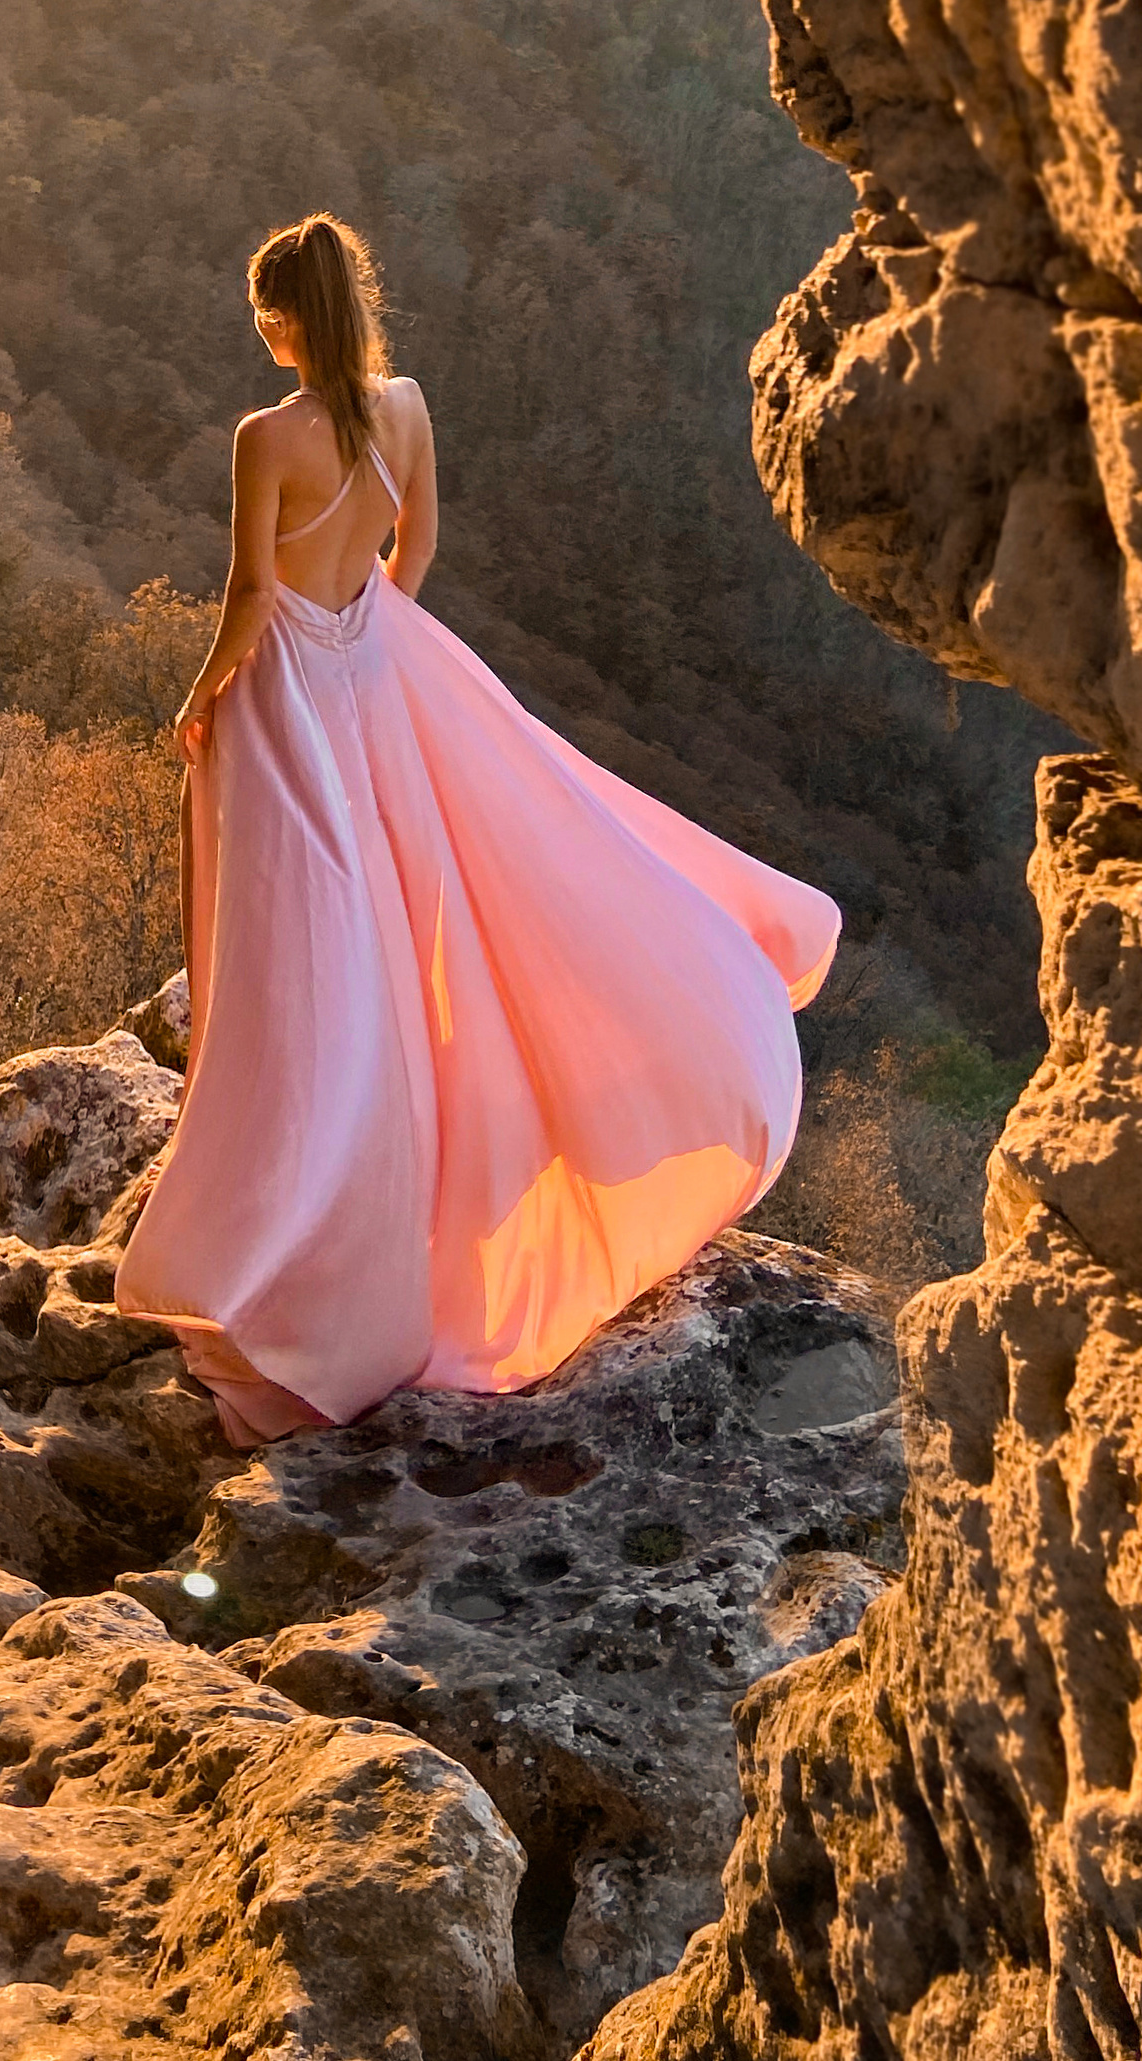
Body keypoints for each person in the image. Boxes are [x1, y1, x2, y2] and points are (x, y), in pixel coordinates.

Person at [112, 211, 838, 1441]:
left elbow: (245, 592)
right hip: (378, 668)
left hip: (287, 688)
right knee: (446, 900)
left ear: (290, 317)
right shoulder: (403, 406)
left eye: (265, 315)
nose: (262, 333)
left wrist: (204, 697)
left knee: (308, 952)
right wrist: (370, 641)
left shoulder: (263, 436)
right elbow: (419, 544)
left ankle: (299, 1235)